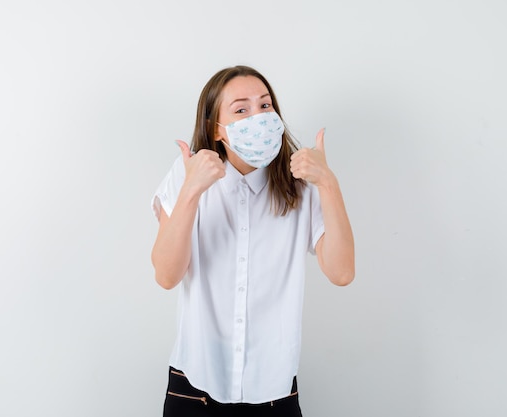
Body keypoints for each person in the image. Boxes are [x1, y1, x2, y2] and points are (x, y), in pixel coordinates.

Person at [150, 65, 355, 417]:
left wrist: (328, 184)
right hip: (194, 386)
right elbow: (167, 276)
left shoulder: (301, 182)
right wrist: (192, 191)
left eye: (265, 106)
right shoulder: (186, 174)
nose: (258, 117)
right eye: (241, 109)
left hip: (273, 389)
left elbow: (342, 272)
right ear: (217, 128)